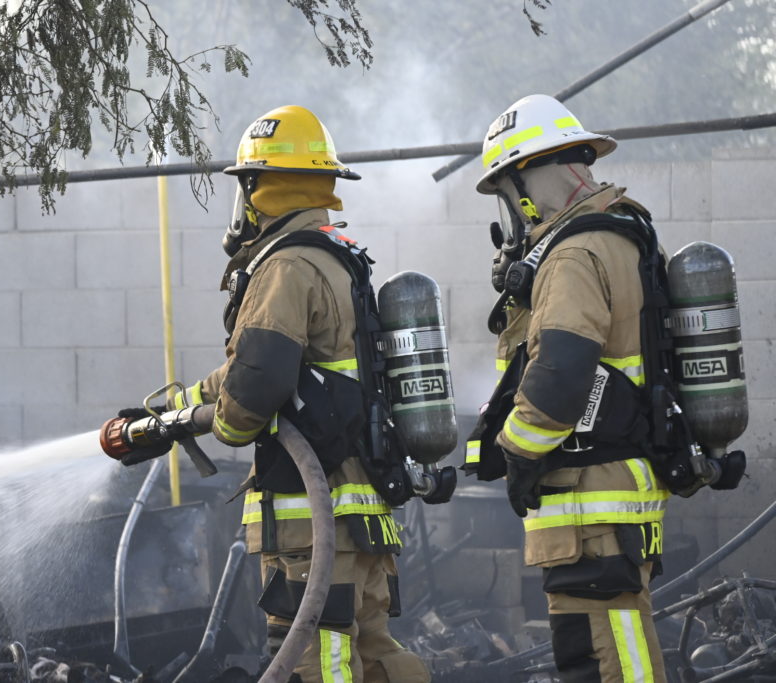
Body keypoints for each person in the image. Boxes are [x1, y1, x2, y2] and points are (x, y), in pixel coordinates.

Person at [146, 104, 430, 682]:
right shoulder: (336, 257)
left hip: (312, 521)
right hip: (361, 514)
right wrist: (174, 413)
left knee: (316, 663)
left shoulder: (284, 266)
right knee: (376, 656)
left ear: (260, 188)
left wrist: (227, 424)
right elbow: (256, 370)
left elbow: (256, 387)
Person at [465, 94, 669, 682]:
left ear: (526, 182)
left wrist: (515, 452)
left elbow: (559, 375)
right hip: (618, 488)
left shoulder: (573, 254)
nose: (513, 214)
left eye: (508, 195)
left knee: (609, 656)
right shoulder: (625, 234)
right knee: (607, 646)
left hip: (589, 497)